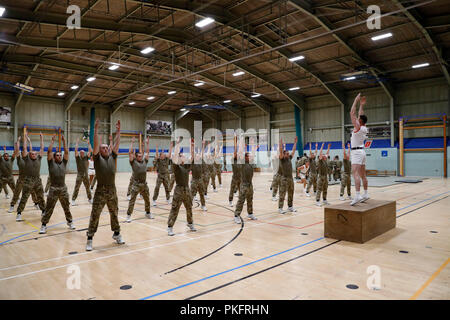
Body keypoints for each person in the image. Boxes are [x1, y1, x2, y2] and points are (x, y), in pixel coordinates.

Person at [85, 119, 124, 251]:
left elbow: (117, 144)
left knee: (114, 213)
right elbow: (96, 144)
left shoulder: (113, 157)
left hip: (112, 190)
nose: (106, 149)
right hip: (100, 190)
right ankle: (90, 238)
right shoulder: (97, 159)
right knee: (95, 214)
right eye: (103, 148)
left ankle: (117, 233)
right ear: (99, 151)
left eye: (107, 147)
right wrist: (95, 130)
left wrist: (118, 131)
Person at [39, 134, 74, 233]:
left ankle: (70, 221)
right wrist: (52, 141)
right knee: (49, 208)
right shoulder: (51, 163)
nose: (59, 156)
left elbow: (66, 152)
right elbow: (49, 151)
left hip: (63, 189)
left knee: (66, 207)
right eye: (57, 155)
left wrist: (64, 141)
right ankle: (44, 225)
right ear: (54, 157)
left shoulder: (64, 163)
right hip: (53, 189)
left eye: (60, 155)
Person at [167, 138, 196, 236]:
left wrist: (192, 146)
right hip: (179, 190)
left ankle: (190, 223)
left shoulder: (186, 167)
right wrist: (178, 144)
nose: (183, 157)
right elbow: (174, 157)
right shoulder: (177, 167)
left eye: (183, 156)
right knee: (175, 209)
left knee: (189, 207)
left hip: (187, 189)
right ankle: (170, 227)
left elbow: (192, 158)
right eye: (182, 156)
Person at [15, 131, 46, 222]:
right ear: (29, 154)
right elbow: (24, 148)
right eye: (32, 154)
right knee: (25, 196)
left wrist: (41, 138)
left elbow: (42, 148)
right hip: (28, 180)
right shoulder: (26, 158)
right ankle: (19, 213)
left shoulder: (39, 158)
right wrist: (25, 138)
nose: (34, 155)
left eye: (35, 154)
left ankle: (43, 210)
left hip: (37, 180)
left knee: (40, 196)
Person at [8, 137, 39, 212]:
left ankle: (36, 203)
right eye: (22, 153)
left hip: (29, 180)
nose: (24, 153)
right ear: (21, 154)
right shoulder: (19, 159)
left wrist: (29, 141)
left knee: (33, 193)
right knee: (16, 193)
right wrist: (18, 141)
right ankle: (12, 205)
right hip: (21, 180)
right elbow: (17, 150)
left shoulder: (29, 159)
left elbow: (31, 150)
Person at [126, 136, 152, 222]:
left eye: (141, 156)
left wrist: (148, 144)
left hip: (144, 184)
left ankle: (148, 213)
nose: (141, 157)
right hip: (136, 184)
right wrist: (132, 143)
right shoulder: (133, 162)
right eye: (139, 156)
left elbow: (147, 152)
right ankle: (129, 215)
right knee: (132, 200)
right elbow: (130, 153)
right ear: (136, 157)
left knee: (147, 199)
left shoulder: (145, 161)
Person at [350, 93, 369, 205]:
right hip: (362, 152)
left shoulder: (357, 127)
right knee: (363, 175)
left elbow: (352, 112)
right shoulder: (364, 127)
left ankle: (357, 195)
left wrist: (356, 101)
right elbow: (360, 114)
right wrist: (362, 105)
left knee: (355, 174)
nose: (357, 118)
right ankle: (365, 193)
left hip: (356, 152)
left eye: (358, 118)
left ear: (360, 121)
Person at [233, 136, 258, 223]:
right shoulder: (243, 163)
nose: (251, 157)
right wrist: (240, 142)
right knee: (241, 200)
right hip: (244, 185)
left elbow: (253, 153)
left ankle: (250, 213)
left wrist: (253, 147)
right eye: (249, 156)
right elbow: (240, 152)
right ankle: (236, 215)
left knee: (250, 200)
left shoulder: (251, 163)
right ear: (246, 157)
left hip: (250, 184)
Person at [278, 137, 298, 214]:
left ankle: (290, 207)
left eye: (288, 153)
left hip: (290, 179)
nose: (288, 154)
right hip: (284, 179)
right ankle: (280, 208)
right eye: (286, 153)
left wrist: (295, 143)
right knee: (282, 193)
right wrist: (280, 144)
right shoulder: (282, 159)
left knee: (291, 193)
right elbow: (280, 151)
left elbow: (293, 151)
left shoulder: (289, 158)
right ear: (283, 154)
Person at [71, 138, 93, 206]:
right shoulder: (78, 158)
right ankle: (73, 200)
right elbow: (75, 150)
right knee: (77, 188)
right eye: (81, 152)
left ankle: (90, 199)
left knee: (88, 188)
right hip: (79, 175)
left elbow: (90, 151)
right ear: (80, 153)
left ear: (84, 153)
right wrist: (77, 143)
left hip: (86, 175)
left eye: (83, 152)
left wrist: (89, 143)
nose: (82, 153)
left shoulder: (86, 157)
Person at [191, 141, 207, 211]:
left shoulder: (200, 161)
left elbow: (202, 153)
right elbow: (192, 153)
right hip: (194, 179)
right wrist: (192, 146)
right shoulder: (193, 162)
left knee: (201, 193)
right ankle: (190, 205)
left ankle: (203, 205)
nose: (198, 156)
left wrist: (203, 145)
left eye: (198, 155)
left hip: (200, 179)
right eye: (196, 155)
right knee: (191, 193)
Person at [228, 137, 241, 207]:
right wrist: (236, 143)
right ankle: (230, 201)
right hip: (235, 177)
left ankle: (240, 201)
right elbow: (236, 152)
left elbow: (239, 152)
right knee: (232, 189)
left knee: (241, 190)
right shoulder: (233, 160)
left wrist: (240, 142)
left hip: (240, 178)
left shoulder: (240, 161)